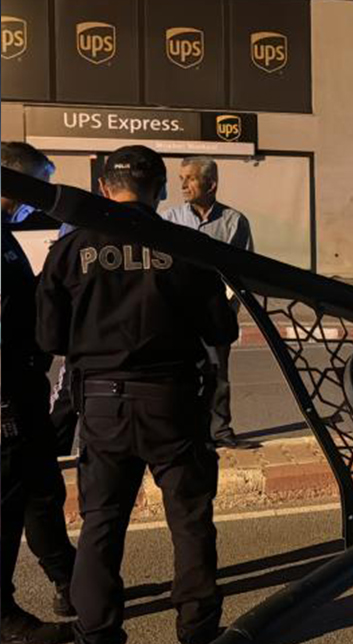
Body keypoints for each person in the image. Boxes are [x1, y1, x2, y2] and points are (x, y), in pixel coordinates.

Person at [36, 145, 237, 644]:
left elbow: (49, 339)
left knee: (102, 522)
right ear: (162, 189)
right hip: (172, 402)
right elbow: (221, 328)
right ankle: (197, 629)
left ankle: (98, 629)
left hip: (101, 403)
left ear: (104, 187)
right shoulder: (187, 247)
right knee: (190, 519)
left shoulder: (69, 249)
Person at [2, 142, 77, 644]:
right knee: (6, 500)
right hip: (4, 390)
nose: (38, 200)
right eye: (35, 185)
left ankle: (71, 582)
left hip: (24, 385)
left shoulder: (6, 236)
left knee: (42, 488)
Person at [161, 157, 257, 450]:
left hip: (216, 311)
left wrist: (228, 308)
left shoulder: (234, 221)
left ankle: (219, 431)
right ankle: (185, 432)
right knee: (179, 376)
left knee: (218, 376)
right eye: (181, 179)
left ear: (211, 184)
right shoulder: (170, 219)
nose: (183, 185)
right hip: (177, 312)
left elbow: (242, 269)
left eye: (190, 178)